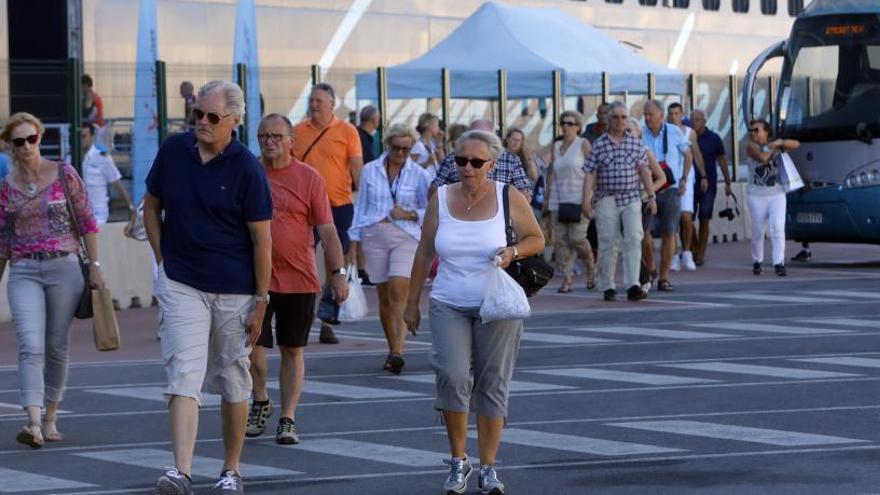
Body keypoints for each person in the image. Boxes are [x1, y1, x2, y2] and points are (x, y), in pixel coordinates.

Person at [144, 80, 273, 495]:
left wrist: (261, 302)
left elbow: (262, 240)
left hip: (235, 289)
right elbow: (151, 204)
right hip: (182, 282)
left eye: (212, 117)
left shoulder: (247, 168)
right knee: (184, 373)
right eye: (197, 114)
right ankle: (180, 471)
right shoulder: (173, 150)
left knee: (234, 379)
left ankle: (230, 469)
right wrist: (164, 262)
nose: (202, 122)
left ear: (234, 122)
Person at [404, 130, 544, 495]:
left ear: (492, 165)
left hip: (497, 304)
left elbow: (536, 239)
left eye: (476, 162)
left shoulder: (506, 195)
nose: (467, 168)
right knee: (451, 376)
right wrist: (410, 302)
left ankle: (489, 467)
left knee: (492, 383)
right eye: (460, 160)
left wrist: (510, 253)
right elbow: (423, 252)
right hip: (448, 300)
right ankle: (458, 459)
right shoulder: (441, 197)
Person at [0, 112, 105, 448]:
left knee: (57, 345)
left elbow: (87, 222)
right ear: (10, 146)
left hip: (65, 267)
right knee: (30, 345)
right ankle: (32, 421)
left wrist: (97, 265)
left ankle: (50, 415)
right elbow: (3, 241)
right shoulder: (6, 188)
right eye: (20, 141)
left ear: (40, 137)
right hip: (24, 269)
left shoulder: (64, 173)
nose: (28, 146)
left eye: (32, 138)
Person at [246, 114, 348, 445]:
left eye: (277, 136)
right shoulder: (248, 173)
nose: (269, 141)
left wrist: (338, 273)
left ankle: (287, 417)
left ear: (292, 141)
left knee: (292, 349)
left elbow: (328, 230)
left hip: (299, 279)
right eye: (263, 136)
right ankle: (261, 398)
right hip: (254, 279)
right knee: (250, 348)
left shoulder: (309, 178)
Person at [349, 124, 430, 373]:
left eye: (406, 149)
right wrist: (353, 244)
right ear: (387, 145)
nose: (401, 154)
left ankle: (398, 351)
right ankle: (392, 346)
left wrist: (407, 213)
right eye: (396, 148)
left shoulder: (419, 174)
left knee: (398, 290)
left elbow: (429, 211)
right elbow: (360, 207)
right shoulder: (370, 170)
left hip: (406, 235)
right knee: (385, 297)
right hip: (374, 233)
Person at [292, 83, 363, 345]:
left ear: (331, 104)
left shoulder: (347, 131)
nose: (314, 104)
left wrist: (363, 205)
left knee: (337, 265)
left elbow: (357, 168)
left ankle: (327, 322)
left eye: (319, 101)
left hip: (339, 205)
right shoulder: (297, 132)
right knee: (304, 263)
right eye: (311, 100)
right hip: (304, 207)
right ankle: (303, 319)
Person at [585, 102, 656, 302]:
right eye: (615, 117)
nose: (620, 121)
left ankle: (633, 284)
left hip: (631, 197)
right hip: (606, 197)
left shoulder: (635, 143)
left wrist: (651, 196)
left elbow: (644, 170)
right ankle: (607, 285)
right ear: (608, 120)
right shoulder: (599, 144)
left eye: (624, 117)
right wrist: (586, 199)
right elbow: (589, 173)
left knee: (634, 238)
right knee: (608, 242)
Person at [642, 100, 692, 292]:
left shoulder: (674, 131)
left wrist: (684, 179)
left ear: (661, 116)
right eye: (645, 114)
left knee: (669, 232)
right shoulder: (639, 133)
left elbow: (687, 155)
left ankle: (664, 277)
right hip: (648, 189)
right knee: (643, 233)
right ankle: (651, 268)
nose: (647, 118)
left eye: (651, 115)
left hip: (670, 188)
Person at [542, 110, 595, 292]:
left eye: (570, 123)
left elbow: (592, 170)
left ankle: (590, 266)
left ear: (578, 126)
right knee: (561, 242)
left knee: (577, 238)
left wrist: (590, 198)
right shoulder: (556, 146)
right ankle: (567, 279)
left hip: (579, 198)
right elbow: (551, 172)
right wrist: (546, 198)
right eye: (563, 123)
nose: (566, 126)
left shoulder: (583, 144)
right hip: (558, 200)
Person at [745, 119, 800, 276]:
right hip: (757, 194)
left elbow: (796, 144)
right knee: (758, 230)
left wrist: (780, 142)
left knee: (777, 228)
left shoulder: (775, 144)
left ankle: (779, 263)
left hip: (777, 193)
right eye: (752, 130)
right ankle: (757, 260)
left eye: (757, 130)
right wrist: (773, 147)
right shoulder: (751, 146)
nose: (753, 133)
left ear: (766, 132)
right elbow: (762, 158)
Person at [431, 119, 532, 200]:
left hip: (500, 222)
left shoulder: (511, 160)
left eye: (485, 138)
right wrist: (457, 199)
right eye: (475, 137)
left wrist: (500, 203)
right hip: (462, 217)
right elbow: (434, 191)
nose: (479, 142)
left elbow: (526, 193)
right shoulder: (453, 158)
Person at [626, 118, 667, 293]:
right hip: (624, 202)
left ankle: (645, 275)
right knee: (628, 242)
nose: (626, 134)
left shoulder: (644, 151)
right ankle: (644, 274)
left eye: (630, 131)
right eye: (624, 131)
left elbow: (662, 177)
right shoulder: (618, 151)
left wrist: (648, 194)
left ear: (639, 134)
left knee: (638, 239)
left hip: (642, 202)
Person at [666, 103, 708, 272]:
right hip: (669, 180)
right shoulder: (665, 131)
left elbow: (696, 154)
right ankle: (674, 255)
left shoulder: (690, 133)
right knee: (672, 219)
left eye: (676, 113)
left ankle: (687, 252)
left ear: (682, 114)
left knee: (686, 218)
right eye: (670, 113)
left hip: (687, 179)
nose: (673, 116)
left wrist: (703, 175)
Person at [690, 109, 732, 266]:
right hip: (690, 184)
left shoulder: (714, 139)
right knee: (686, 219)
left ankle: (701, 253)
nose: (694, 122)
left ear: (704, 121)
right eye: (692, 119)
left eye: (697, 119)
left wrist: (728, 182)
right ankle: (693, 247)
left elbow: (722, 161)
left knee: (704, 218)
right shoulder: (686, 136)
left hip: (710, 183)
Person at [81, 124, 135, 224]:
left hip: (98, 215)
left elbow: (117, 184)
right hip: (79, 215)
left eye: (84, 136)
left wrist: (130, 207)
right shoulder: (70, 157)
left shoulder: (101, 157)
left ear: (92, 137)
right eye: (79, 136)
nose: (80, 140)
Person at [411, 112, 446, 181]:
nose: (439, 129)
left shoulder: (432, 143)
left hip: (433, 181)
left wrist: (439, 143)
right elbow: (410, 169)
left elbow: (443, 162)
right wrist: (427, 162)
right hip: (422, 183)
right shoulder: (418, 146)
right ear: (429, 127)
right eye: (436, 126)